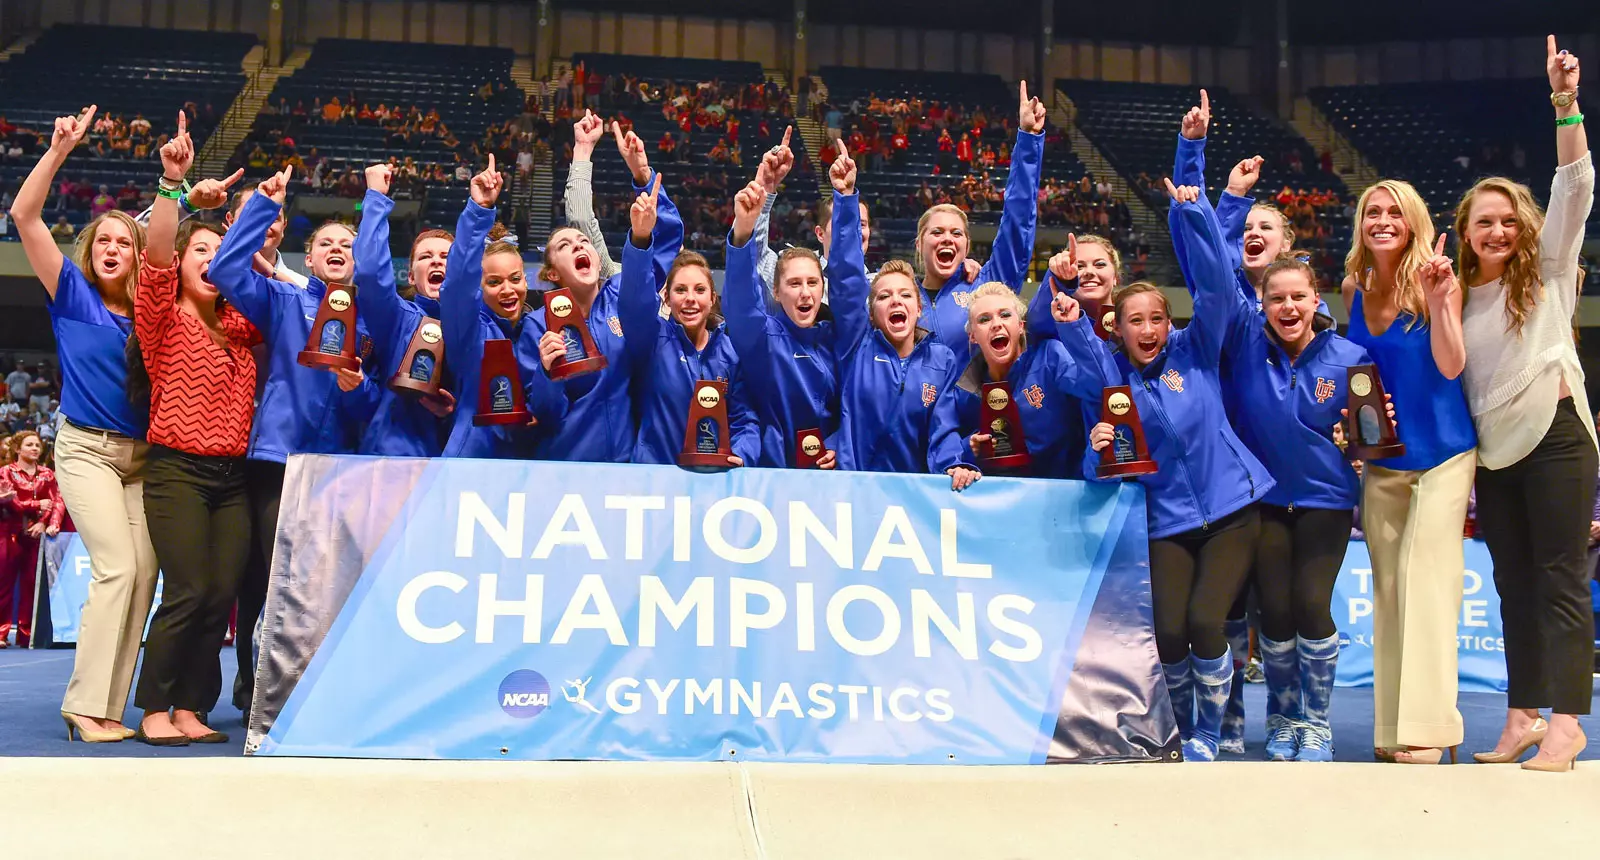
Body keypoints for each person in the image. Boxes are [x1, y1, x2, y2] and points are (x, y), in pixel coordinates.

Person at [1054, 179, 1275, 762]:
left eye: (1156, 318)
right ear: (1118, 330)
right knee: (1169, 634)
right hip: (1167, 521)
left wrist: (1200, 211)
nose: (1148, 330)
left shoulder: (1195, 350)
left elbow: (1216, 289)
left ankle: (1209, 731)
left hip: (1232, 509)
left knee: (1208, 621)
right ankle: (1181, 727)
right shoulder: (1112, 385)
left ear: (1167, 321)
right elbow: (1099, 467)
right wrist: (1098, 452)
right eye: (1135, 322)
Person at [1458, 37, 1594, 773]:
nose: (1499, 230)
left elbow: (1574, 186)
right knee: (1512, 583)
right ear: (1467, 233)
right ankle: (1522, 716)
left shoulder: (1548, 271)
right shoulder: (1456, 292)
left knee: (1559, 577)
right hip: (1495, 449)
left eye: (1508, 219)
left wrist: (1565, 102)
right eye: (1485, 222)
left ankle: (1568, 724)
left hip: (1556, 435)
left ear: (1526, 225)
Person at [209, 165, 381, 717]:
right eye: (326, 243)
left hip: (340, 467)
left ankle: (318, 690)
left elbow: (373, 404)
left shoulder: (373, 321)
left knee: (324, 582)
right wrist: (261, 207)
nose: (336, 249)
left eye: (347, 244)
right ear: (308, 260)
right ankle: (254, 688)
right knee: (265, 580)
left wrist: (357, 390)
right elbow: (225, 268)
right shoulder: (284, 303)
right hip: (278, 460)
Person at [13, 105, 158, 742]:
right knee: (118, 569)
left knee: (146, 575)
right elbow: (23, 216)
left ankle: (109, 708)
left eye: (124, 241)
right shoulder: (70, 293)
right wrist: (59, 151)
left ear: (138, 253)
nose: (112, 249)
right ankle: (82, 706)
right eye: (103, 240)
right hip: (87, 452)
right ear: (89, 249)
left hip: (145, 457)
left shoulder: (157, 311)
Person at [1205, 254, 1382, 762]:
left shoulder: (1350, 356)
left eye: (1297, 297)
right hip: (1262, 503)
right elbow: (1214, 278)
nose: (1287, 307)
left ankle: (1317, 723)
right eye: (1276, 298)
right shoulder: (1245, 351)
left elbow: (1370, 435)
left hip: (1324, 501)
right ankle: (1283, 718)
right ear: (1262, 305)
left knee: (1310, 604)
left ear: (1315, 299)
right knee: (1275, 615)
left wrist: (1362, 440)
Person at [127, 121, 260, 745]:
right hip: (176, 468)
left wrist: (246, 230)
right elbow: (154, 255)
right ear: (181, 263)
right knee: (186, 591)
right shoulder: (160, 316)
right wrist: (173, 186)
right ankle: (154, 705)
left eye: (219, 252)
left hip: (232, 477)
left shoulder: (242, 322)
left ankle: (191, 707)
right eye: (199, 252)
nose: (210, 260)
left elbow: (286, 289)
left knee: (221, 596)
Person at [1342, 178, 1476, 765]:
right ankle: (1395, 728)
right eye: (1372, 211)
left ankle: (1432, 728)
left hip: (1445, 453)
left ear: (1414, 220)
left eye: (1394, 211)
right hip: (1384, 463)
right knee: (1390, 592)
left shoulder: (1441, 280)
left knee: (1428, 584)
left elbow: (1451, 366)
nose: (1382, 219)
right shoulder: (1351, 288)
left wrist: (1443, 301)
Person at [522, 125, 684, 464]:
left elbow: (665, 242)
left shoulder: (622, 297)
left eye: (584, 243)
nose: (580, 245)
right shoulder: (538, 327)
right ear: (552, 273)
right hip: (566, 469)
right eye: (565, 246)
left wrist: (642, 174)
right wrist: (547, 373)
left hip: (625, 470)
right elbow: (542, 416)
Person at [724, 149, 867, 469]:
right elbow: (741, 301)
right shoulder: (763, 338)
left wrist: (844, 200)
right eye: (794, 284)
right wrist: (744, 230)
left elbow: (848, 281)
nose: (805, 293)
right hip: (769, 475)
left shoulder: (839, 339)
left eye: (813, 283)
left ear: (822, 287)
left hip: (828, 474)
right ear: (776, 291)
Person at [622, 180, 759, 468]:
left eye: (699, 290)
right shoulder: (653, 340)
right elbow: (635, 302)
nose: (690, 299)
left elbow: (744, 418)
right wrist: (640, 239)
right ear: (667, 298)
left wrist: (743, 454)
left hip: (713, 481)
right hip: (655, 478)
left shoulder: (730, 352)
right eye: (680, 290)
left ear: (713, 297)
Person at [438, 157, 565, 458]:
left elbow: (553, 411)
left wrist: (548, 377)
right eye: (494, 282)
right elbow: (457, 285)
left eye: (515, 278)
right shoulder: (467, 328)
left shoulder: (540, 328)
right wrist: (478, 212)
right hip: (471, 460)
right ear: (479, 288)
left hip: (525, 468)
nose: (508, 289)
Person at [914, 82, 1044, 356]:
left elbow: (1017, 223)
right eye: (937, 232)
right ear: (919, 243)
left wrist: (1029, 141)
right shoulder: (900, 295)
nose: (947, 238)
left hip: (980, 401)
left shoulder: (987, 286)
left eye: (956, 233)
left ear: (967, 245)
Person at [353, 163, 458, 458]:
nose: (437, 261)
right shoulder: (397, 318)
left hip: (459, 471)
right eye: (426, 256)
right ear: (410, 276)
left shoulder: (479, 326)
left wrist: (451, 412)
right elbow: (371, 273)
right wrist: (375, 197)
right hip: (393, 459)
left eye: (446, 256)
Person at [0, 431, 63, 650]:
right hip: (9, 534)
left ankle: (27, 635)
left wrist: (45, 523)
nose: (35, 448)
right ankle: (1, 632)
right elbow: (11, 503)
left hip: (37, 536)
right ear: (18, 449)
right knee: (3, 585)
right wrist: (36, 505)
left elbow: (57, 502)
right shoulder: (6, 473)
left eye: (37, 445)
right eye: (29, 445)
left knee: (31, 587)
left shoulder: (47, 474)